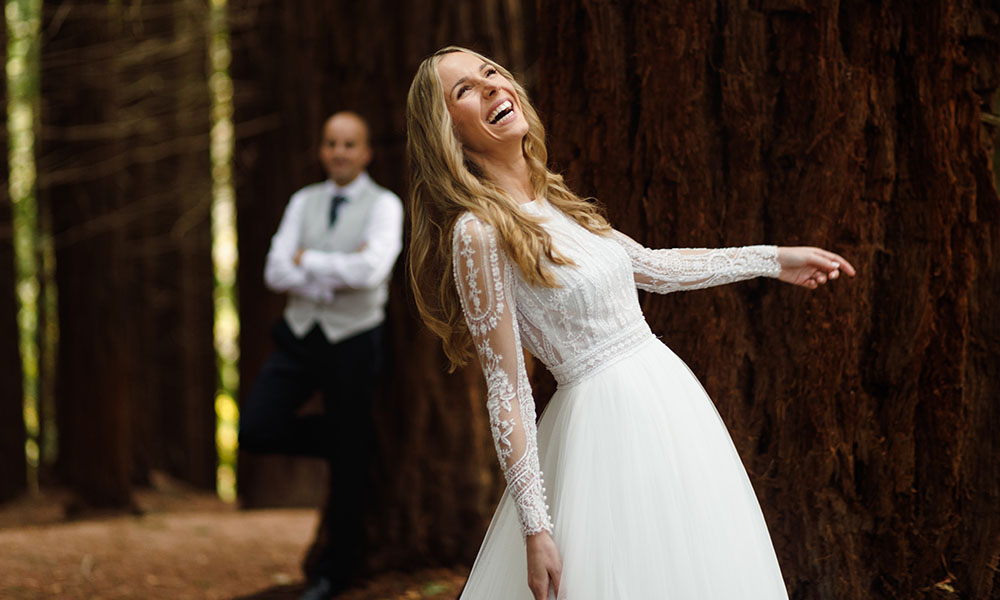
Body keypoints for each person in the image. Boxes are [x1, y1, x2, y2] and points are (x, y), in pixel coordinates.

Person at [405, 46, 856, 600]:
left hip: (670, 406)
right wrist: (535, 529)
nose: (493, 87)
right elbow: (507, 387)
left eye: (492, 73)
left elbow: (655, 268)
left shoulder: (558, 202)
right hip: (601, 429)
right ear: (449, 132)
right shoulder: (478, 233)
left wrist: (773, 259)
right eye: (465, 91)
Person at [239, 111, 403, 600]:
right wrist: (337, 268)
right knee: (257, 428)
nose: (339, 152)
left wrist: (306, 261)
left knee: (350, 471)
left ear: (366, 153)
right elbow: (273, 271)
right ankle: (348, 440)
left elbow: (372, 271)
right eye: (332, 143)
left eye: (349, 144)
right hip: (299, 335)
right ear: (321, 149)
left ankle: (334, 575)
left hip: (355, 340)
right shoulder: (302, 201)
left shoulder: (384, 205)